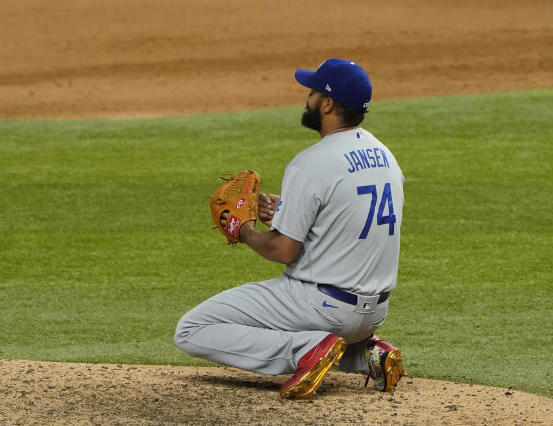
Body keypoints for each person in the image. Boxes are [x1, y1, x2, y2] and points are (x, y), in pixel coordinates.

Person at [174, 58, 406, 398]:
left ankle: (304, 350)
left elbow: (282, 250)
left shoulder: (311, 162)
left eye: (313, 92)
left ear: (327, 103)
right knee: (340, 324)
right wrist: (287, 211)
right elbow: (352, 218)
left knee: (192, 328)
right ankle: (368, 354)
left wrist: (244, 230)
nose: (307, 98)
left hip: (320, 307)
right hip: (373, 313)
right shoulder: (385, 155)